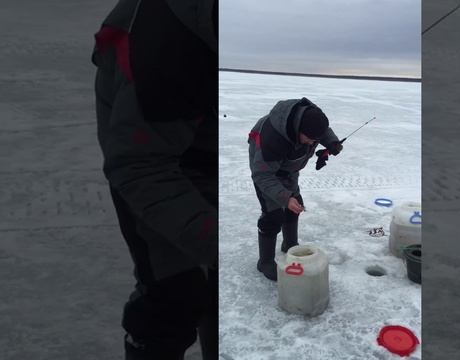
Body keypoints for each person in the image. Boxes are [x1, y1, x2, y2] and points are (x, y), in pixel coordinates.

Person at [91, 0, 217, 358]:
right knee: (175, 292)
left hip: (199, 135)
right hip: (145, 154)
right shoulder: (166, 49)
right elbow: (139, 168)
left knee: (216, 288)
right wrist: (216, 243)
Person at [248, 98, 343, 281]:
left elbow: (322, 132)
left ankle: (290, 245)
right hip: (266, 169)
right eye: (309, 139)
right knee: (273, 215)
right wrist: (285, 197)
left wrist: (331, 143)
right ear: (298, 130)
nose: (312, 144)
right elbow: (262, 176)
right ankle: (265, 261)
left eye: (315, 140)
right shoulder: (272, 139)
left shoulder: (310, 120)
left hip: (289, 165)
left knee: (295, 205)